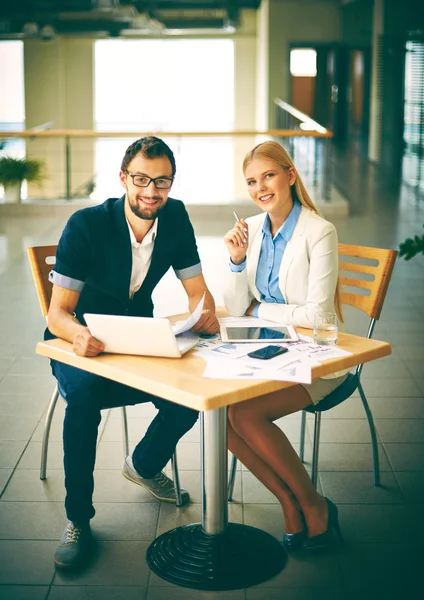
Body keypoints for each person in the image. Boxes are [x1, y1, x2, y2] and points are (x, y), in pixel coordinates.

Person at [46, 136, 219, 569]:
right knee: (83, 399)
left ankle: (142, 465)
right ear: (123, 178)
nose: (151, 191)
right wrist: (77, 335)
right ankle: (78, 520)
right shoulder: (86, 224)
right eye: (141, 179)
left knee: (190, 398)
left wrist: (205, 314)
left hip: (138, 339)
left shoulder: (175, 217)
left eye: (162, 182)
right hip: (81, 343)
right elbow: (57, 315)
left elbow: (198, 293)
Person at [223, 140, 347, 551]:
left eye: (269, 176)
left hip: (316, 356)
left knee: (247, 415)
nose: (261, 188)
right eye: (252, 181)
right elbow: (238, 306)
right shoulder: (254, 230)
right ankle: (290, 502)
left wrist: (261, 311)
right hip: (266, 351)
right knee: (222, 419)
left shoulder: (319, 231)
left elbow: (316, 316)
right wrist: (237, 261)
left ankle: (312, 504)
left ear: (290, 175)